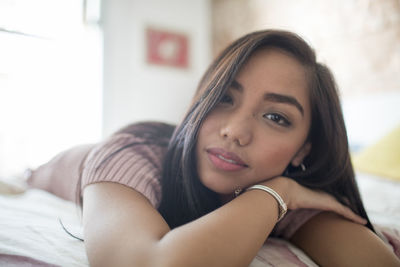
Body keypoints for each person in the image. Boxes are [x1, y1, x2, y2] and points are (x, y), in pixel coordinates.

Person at [29, 30, 400, 266]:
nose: (235, 132)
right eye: (224, 98)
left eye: (276, 118)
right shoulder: (133, 153)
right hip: (70, 164)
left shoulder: (286, 191)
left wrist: (280, 192)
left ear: (303, 152)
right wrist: (280, 191)